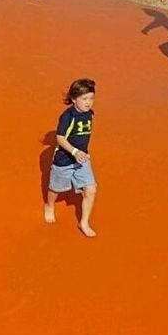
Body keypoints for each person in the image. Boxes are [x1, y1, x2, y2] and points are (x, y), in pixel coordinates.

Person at [46, 78, 98, 237]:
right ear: (74, 99)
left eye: (91, 98)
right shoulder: (67, 116)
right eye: (84, 99)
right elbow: (60, 138)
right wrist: (75, 152)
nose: (88, 102)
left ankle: (84, 222)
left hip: (82, 159)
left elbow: (84, 135)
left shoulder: (89, 114)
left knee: (91, 189)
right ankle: (49, 205)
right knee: (55, 189)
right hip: (64, 160)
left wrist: (84, 152)